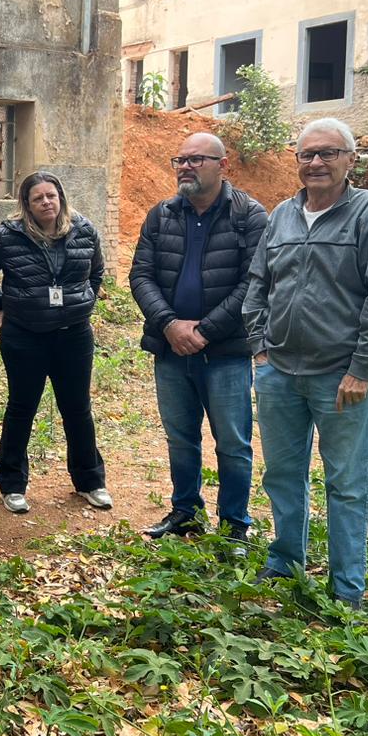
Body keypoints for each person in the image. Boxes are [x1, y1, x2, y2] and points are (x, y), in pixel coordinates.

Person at [243, 118, 368, 609]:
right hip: (279, 374)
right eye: (307, 154)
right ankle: (285, 561)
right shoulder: (282, 215)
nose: (315, 162)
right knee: (281, 475)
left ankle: (347, 589)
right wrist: (260, 350)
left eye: (328, 153)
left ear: (350, 160)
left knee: (347, 484)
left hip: (341, 377)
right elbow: (258, 284)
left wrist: (363, 367)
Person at [129, 133, 268, 553]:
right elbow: (140, 275)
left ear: (222, 165)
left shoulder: (249, 216)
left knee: (233, 443)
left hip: (225, 353)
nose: (186, 167)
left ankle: (234, 525)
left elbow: (254, 283)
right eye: (181, 160)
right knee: (180, 437)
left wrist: (205, 331)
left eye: (196, 160)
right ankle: (185, 512)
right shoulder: (162, 215)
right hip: (171, 351)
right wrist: (169, 325)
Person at [0, 171, 113, 513]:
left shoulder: (84, 230)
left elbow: (96, 271)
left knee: (78, 408)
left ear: (60, 197)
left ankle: (90, 482)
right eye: (37, 198)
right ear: (26, 204)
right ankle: (12, 486)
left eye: (51, 195)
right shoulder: (8, 235)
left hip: (74, 335)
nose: (46, 202)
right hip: (24, 336)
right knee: (21, 408)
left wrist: (85, 301)